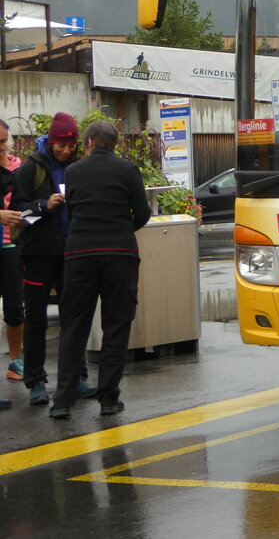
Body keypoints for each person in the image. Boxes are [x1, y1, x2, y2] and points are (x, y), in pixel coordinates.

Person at [49, 120, 151, 418]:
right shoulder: (128, 170)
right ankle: (108, 399)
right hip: (120, 254)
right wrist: (122, 229)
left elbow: (73, 210)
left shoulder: (73, 171)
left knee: (74, 326)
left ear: (90, 142)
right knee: (116, 325)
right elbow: (142, 213)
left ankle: (62, 402)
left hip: (80, 254)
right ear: (115, 143)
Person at [10, 112, 95, 406]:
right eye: (61, 145)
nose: (66, 151)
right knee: (36, 320)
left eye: (71, 146)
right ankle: (35, 382)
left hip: (72, 253)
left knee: (74, 318)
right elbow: (19, 215)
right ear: (51, 142)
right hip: (37, 254)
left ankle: (77, 377)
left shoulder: (79, 168)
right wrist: (43, 206)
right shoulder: (29, 169)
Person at [0, 119, 26, 397]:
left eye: (4, 140)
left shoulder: (17, 168)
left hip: (11, 245)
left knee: (15, 307)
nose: (2, 146)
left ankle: (15, 361)